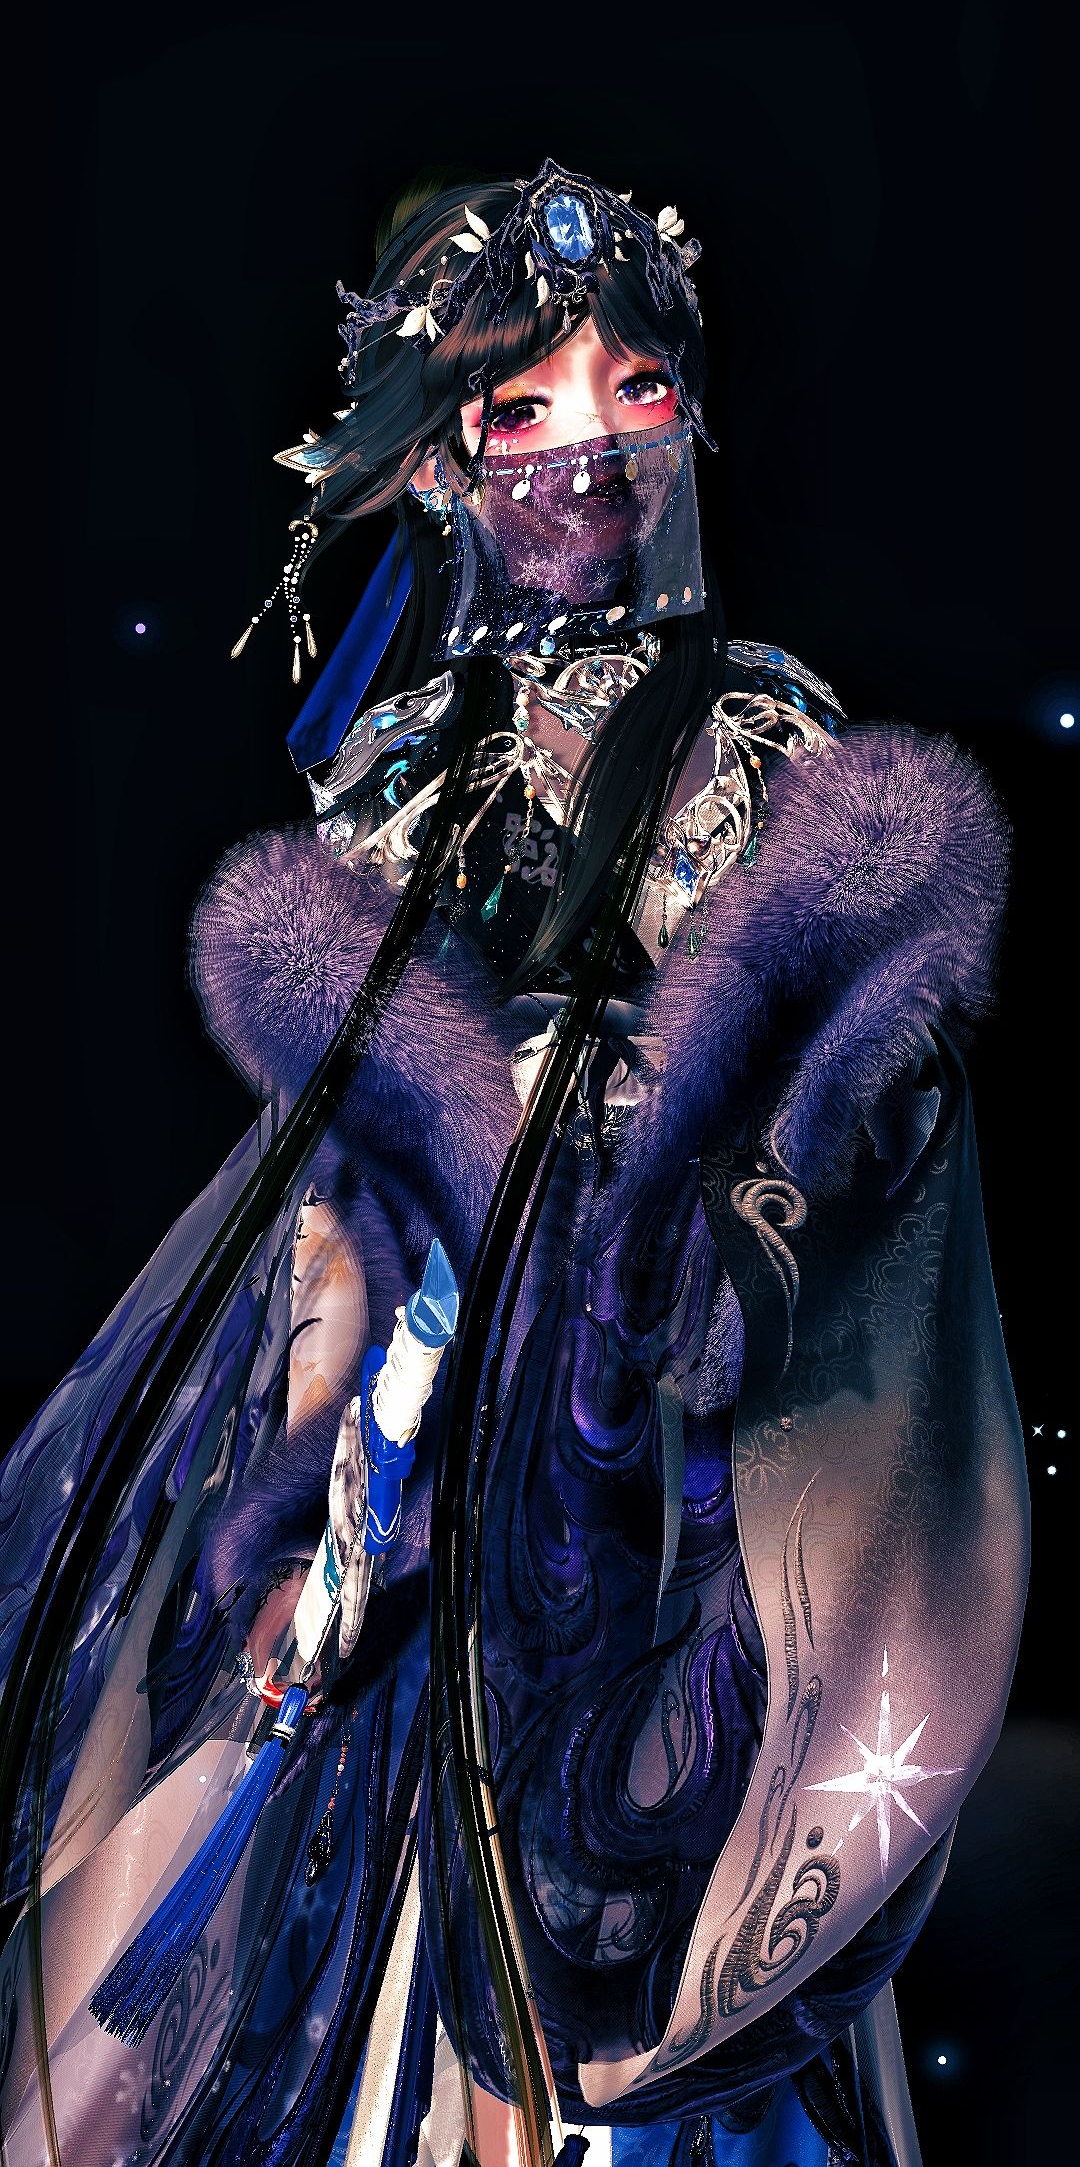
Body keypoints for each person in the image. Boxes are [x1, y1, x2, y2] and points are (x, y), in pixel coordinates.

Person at [0, 162, 1029, 2167]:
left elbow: (843, 1095)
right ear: (448, 452)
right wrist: (331, 1474)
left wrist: (716, 1198)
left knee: (640, 1924)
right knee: (361, 1925)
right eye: (525, 402)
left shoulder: (761, 732)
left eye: (637, 385)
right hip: (440, 1417)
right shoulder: (406, 766)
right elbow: (342, 1191)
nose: (588, 442)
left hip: (674, 1424)